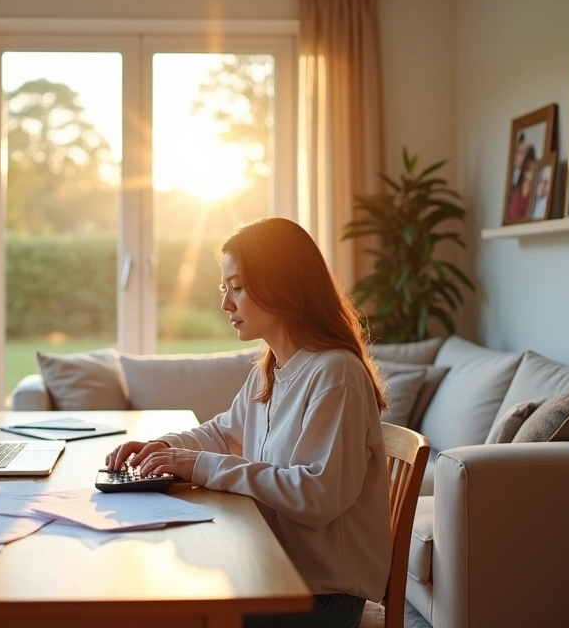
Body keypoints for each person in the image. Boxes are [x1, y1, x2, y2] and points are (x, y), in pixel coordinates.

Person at [106, 217, 392, 628]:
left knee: (162, 609)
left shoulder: (336, 374)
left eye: (237, 287)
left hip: (322, 597)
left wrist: (200, 465)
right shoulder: (272, 369)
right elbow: (224, 433)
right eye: (225, 288)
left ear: (283, 286)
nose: (226, 304)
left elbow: (317, 497)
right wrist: (164, 448)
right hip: (271, 570)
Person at [507, 148, 536, 221]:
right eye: (527, 168)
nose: (529, 173)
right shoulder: (515, 191)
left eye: (532, 169)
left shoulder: (535, 194)